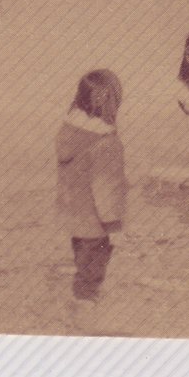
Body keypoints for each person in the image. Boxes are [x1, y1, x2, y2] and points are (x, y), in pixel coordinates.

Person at [55, 69, 128, 323]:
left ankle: (80, 299)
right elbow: (106, 188)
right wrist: (114, 225)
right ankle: (83, 310)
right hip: (96, 223)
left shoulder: (69, 131)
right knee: (93, 270)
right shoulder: (105, 142)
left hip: (74, 218)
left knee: (82, 262)